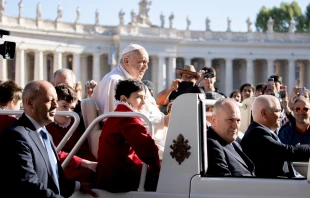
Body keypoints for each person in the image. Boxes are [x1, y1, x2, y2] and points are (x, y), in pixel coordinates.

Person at [0, 80, 97, 197]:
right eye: (49, 100)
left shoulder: (44, 133)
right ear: (30, 103)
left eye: (56, 100)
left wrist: (78, 186)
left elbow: (53, 175)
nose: (55, 105)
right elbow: (28, 185)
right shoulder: (16, 137)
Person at [91, 44, 169, 146]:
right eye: (142, 62)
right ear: (126, 61)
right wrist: (162, 121)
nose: (146, 67)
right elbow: (119, 121)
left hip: (152, 135)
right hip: (133, 142)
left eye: (147, 63)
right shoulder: (114, 81)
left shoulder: (136, 81)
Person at [97, 79, 160, 192]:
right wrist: (157, 167)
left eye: (144, 97)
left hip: (111, 174)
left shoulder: (118, 114)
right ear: (124, 99)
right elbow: (147, 149)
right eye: (138, 97)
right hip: (119, 178)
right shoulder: (127, 117)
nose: (143, 102)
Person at [241, 95, 310, 178]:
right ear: (264, 114)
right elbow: (288, 152)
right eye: (277, 111)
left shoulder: (260, 132)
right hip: (277, 185)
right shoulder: (256, 134)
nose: (281, 116)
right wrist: (297, 149)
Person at [46, 84, 97, 183]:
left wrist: (92, 164)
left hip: (75, 163)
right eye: (64, 106)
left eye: (72, 108)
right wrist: (83, 163)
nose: (68, 112)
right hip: (56, 165)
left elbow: (83, 149)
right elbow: (53, 153)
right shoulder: (46, 125)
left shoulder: (75, 122)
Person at [206, 98, 255, 177]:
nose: (235, 126)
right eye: (230, 120)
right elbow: (225, 183)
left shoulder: (234, 142)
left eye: (238, 120)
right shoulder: (211, 145)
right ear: (214, 120)